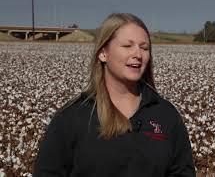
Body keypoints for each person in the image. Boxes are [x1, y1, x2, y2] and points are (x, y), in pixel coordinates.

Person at [33, 13, 196, 177]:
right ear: (103, 53)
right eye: (127, 46)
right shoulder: (72, 117)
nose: (138, 54)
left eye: (144, 48)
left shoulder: (165, 115)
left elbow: (183, 172)